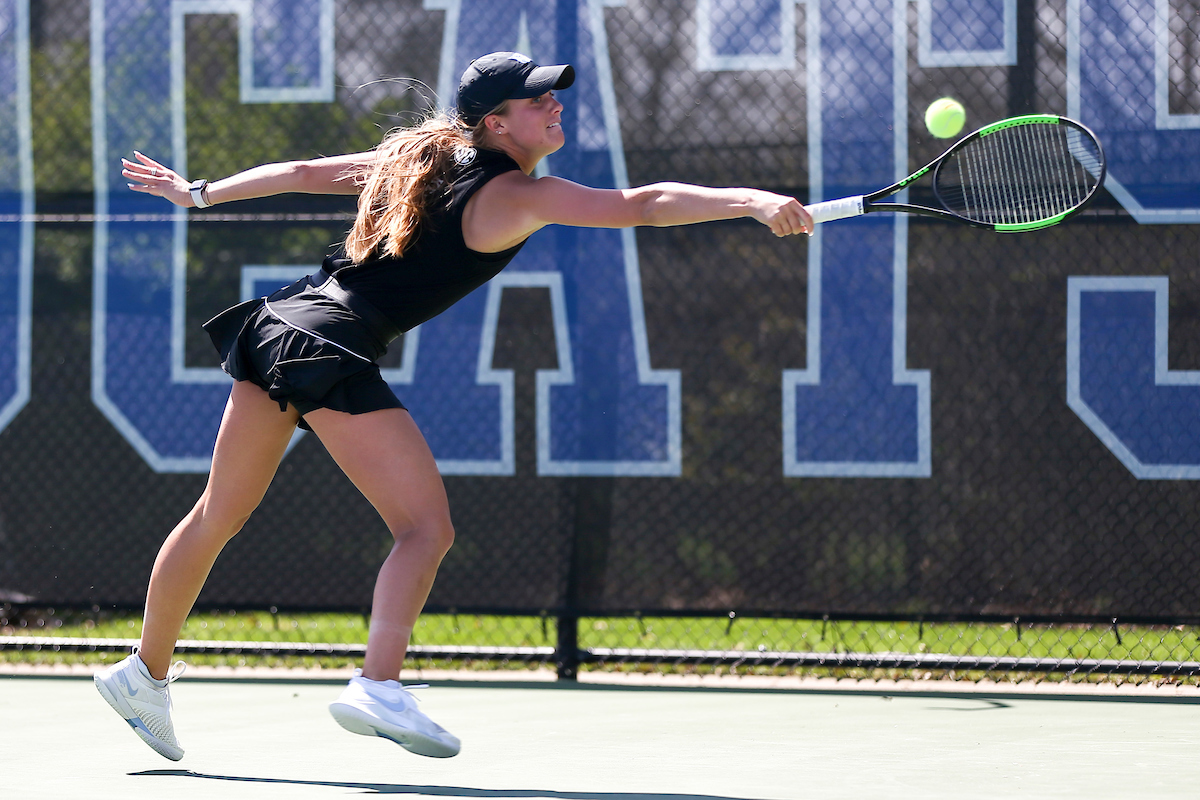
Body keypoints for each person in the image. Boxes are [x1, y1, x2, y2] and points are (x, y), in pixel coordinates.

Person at [92, 51, 814, 762]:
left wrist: (201, 192)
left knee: (219, 513)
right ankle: (377, 683)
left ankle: (142, 674)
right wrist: (748, 200)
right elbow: (641, 205)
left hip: (281, 321)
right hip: (326, 341)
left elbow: (307, 174)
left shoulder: (423, 159)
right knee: (424, 528)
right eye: (538, 100)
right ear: (497, 123)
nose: (555, 105)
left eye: (552, 95)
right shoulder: (518, 196)